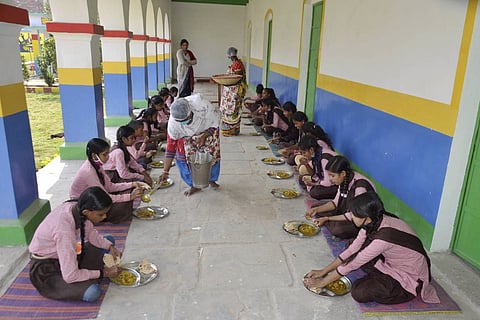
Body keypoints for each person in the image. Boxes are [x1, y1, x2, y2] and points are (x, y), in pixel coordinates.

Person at [303, 192, 440, 305]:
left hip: (410, 275)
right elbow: (353, 250)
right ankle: (381, 277)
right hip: (391, 263)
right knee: (351, 246)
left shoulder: (383, 237)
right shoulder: (373, 222)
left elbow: (355, 263)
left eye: (354, 215)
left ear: (366, 218)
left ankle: (400, 289)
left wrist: (323, 282)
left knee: (359, 292)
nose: (351, 216)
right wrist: (323, 271)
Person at [29, 187, 123, 301]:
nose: (105, 217)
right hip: (47, 269)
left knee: (109, 240)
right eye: (101, 214)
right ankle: (89, 275)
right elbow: (70, 276)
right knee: (92, 293)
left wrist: (110, 247)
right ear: (86, 212)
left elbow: (91, 233)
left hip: (65, 256)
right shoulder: (64, 231)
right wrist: (103, 273)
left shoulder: (77, 207)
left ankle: (88, 272)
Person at [70, 138, 148, 223]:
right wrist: (130, 196)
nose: (108, 158)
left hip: (96, 197)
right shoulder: (89, 172)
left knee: (127, 192)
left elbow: (110, 186)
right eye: (105, 154)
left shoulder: (97, 165)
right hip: (82, 203)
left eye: (108, 153)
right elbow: (104, 196)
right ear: (94, 156)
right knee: (121, 207)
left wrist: (133, 184)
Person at [158, 94, 221, 196]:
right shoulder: (173, 126)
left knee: (212, 156)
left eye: (186, 119)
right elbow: (171, 147)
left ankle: (211, 179)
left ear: (191, 111)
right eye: (181, 122)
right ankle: (193, 184)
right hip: (185, 137)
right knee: (182, 159)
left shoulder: (203, 106)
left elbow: (215, 123)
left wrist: (205, 136)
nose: (185, 123)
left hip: (207, 130)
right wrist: (165, 171)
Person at [305, 155, 376, 239]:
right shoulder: (344, 179)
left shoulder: (360, 187)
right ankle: (329, 220)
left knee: (338, 229)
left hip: (359, 219)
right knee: (315, 207)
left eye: (332, 175)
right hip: (346, 211)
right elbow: (335, 203)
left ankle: (329, 222)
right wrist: (316, 210)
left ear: (342, 173)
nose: (330, 179)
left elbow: (354, 215)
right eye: (329, 175)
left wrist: (327, 218)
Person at [297, 134, 338, 201]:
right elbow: (314, 174)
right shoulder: (316, 154)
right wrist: (306, 164)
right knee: (301, 178)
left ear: (311, 149)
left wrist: (313, 183)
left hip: (336, 184)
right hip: (323, 178)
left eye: (304, 153)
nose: (303, 155)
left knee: (315, 193)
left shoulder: (324, 158)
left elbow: (327, 182)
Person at [219, 47, 247, 136]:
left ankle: (232, 129)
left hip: (236, 90)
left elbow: (237, 77)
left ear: (231, 56)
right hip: (232, 90)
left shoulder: (237, 64)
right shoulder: (236, 63)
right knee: (231, 109)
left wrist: (230, 76)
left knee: (234, 108)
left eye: (229, 57)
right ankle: (231, 129)